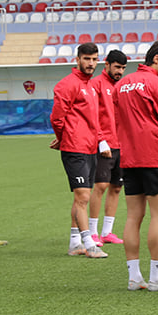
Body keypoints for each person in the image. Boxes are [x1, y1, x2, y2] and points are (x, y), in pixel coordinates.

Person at [115, 40, 158, 291]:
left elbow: (116, 121)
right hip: (155, 156)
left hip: (129, 157)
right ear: (156, 59)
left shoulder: (121, 84)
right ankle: (156, 277)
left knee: (133, 216)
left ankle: (134, 278)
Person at [50, 42, 109, 259]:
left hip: (89, 147)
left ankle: (75, 243)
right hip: (75, 147)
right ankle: (88, 242)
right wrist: (62, 138)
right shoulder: (67, 85)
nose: (91, 63)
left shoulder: (92, 86)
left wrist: (100, 141)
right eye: (87, 59)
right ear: (77, 60)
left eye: (94, 59)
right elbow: (57, 118)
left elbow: (94, 119)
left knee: (81, 198)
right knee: (83, 195)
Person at [89, 49, 127, 246]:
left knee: (116, 187)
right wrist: (100, 139)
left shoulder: (122, 86)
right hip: (104, 144)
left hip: (122, 144)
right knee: (100, 186)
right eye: (117, 67)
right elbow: (93, 115)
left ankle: (107, 232)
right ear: (107, 65)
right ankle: (93, 232)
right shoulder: (96, 84)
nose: (120, 71)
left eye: (123, 68)